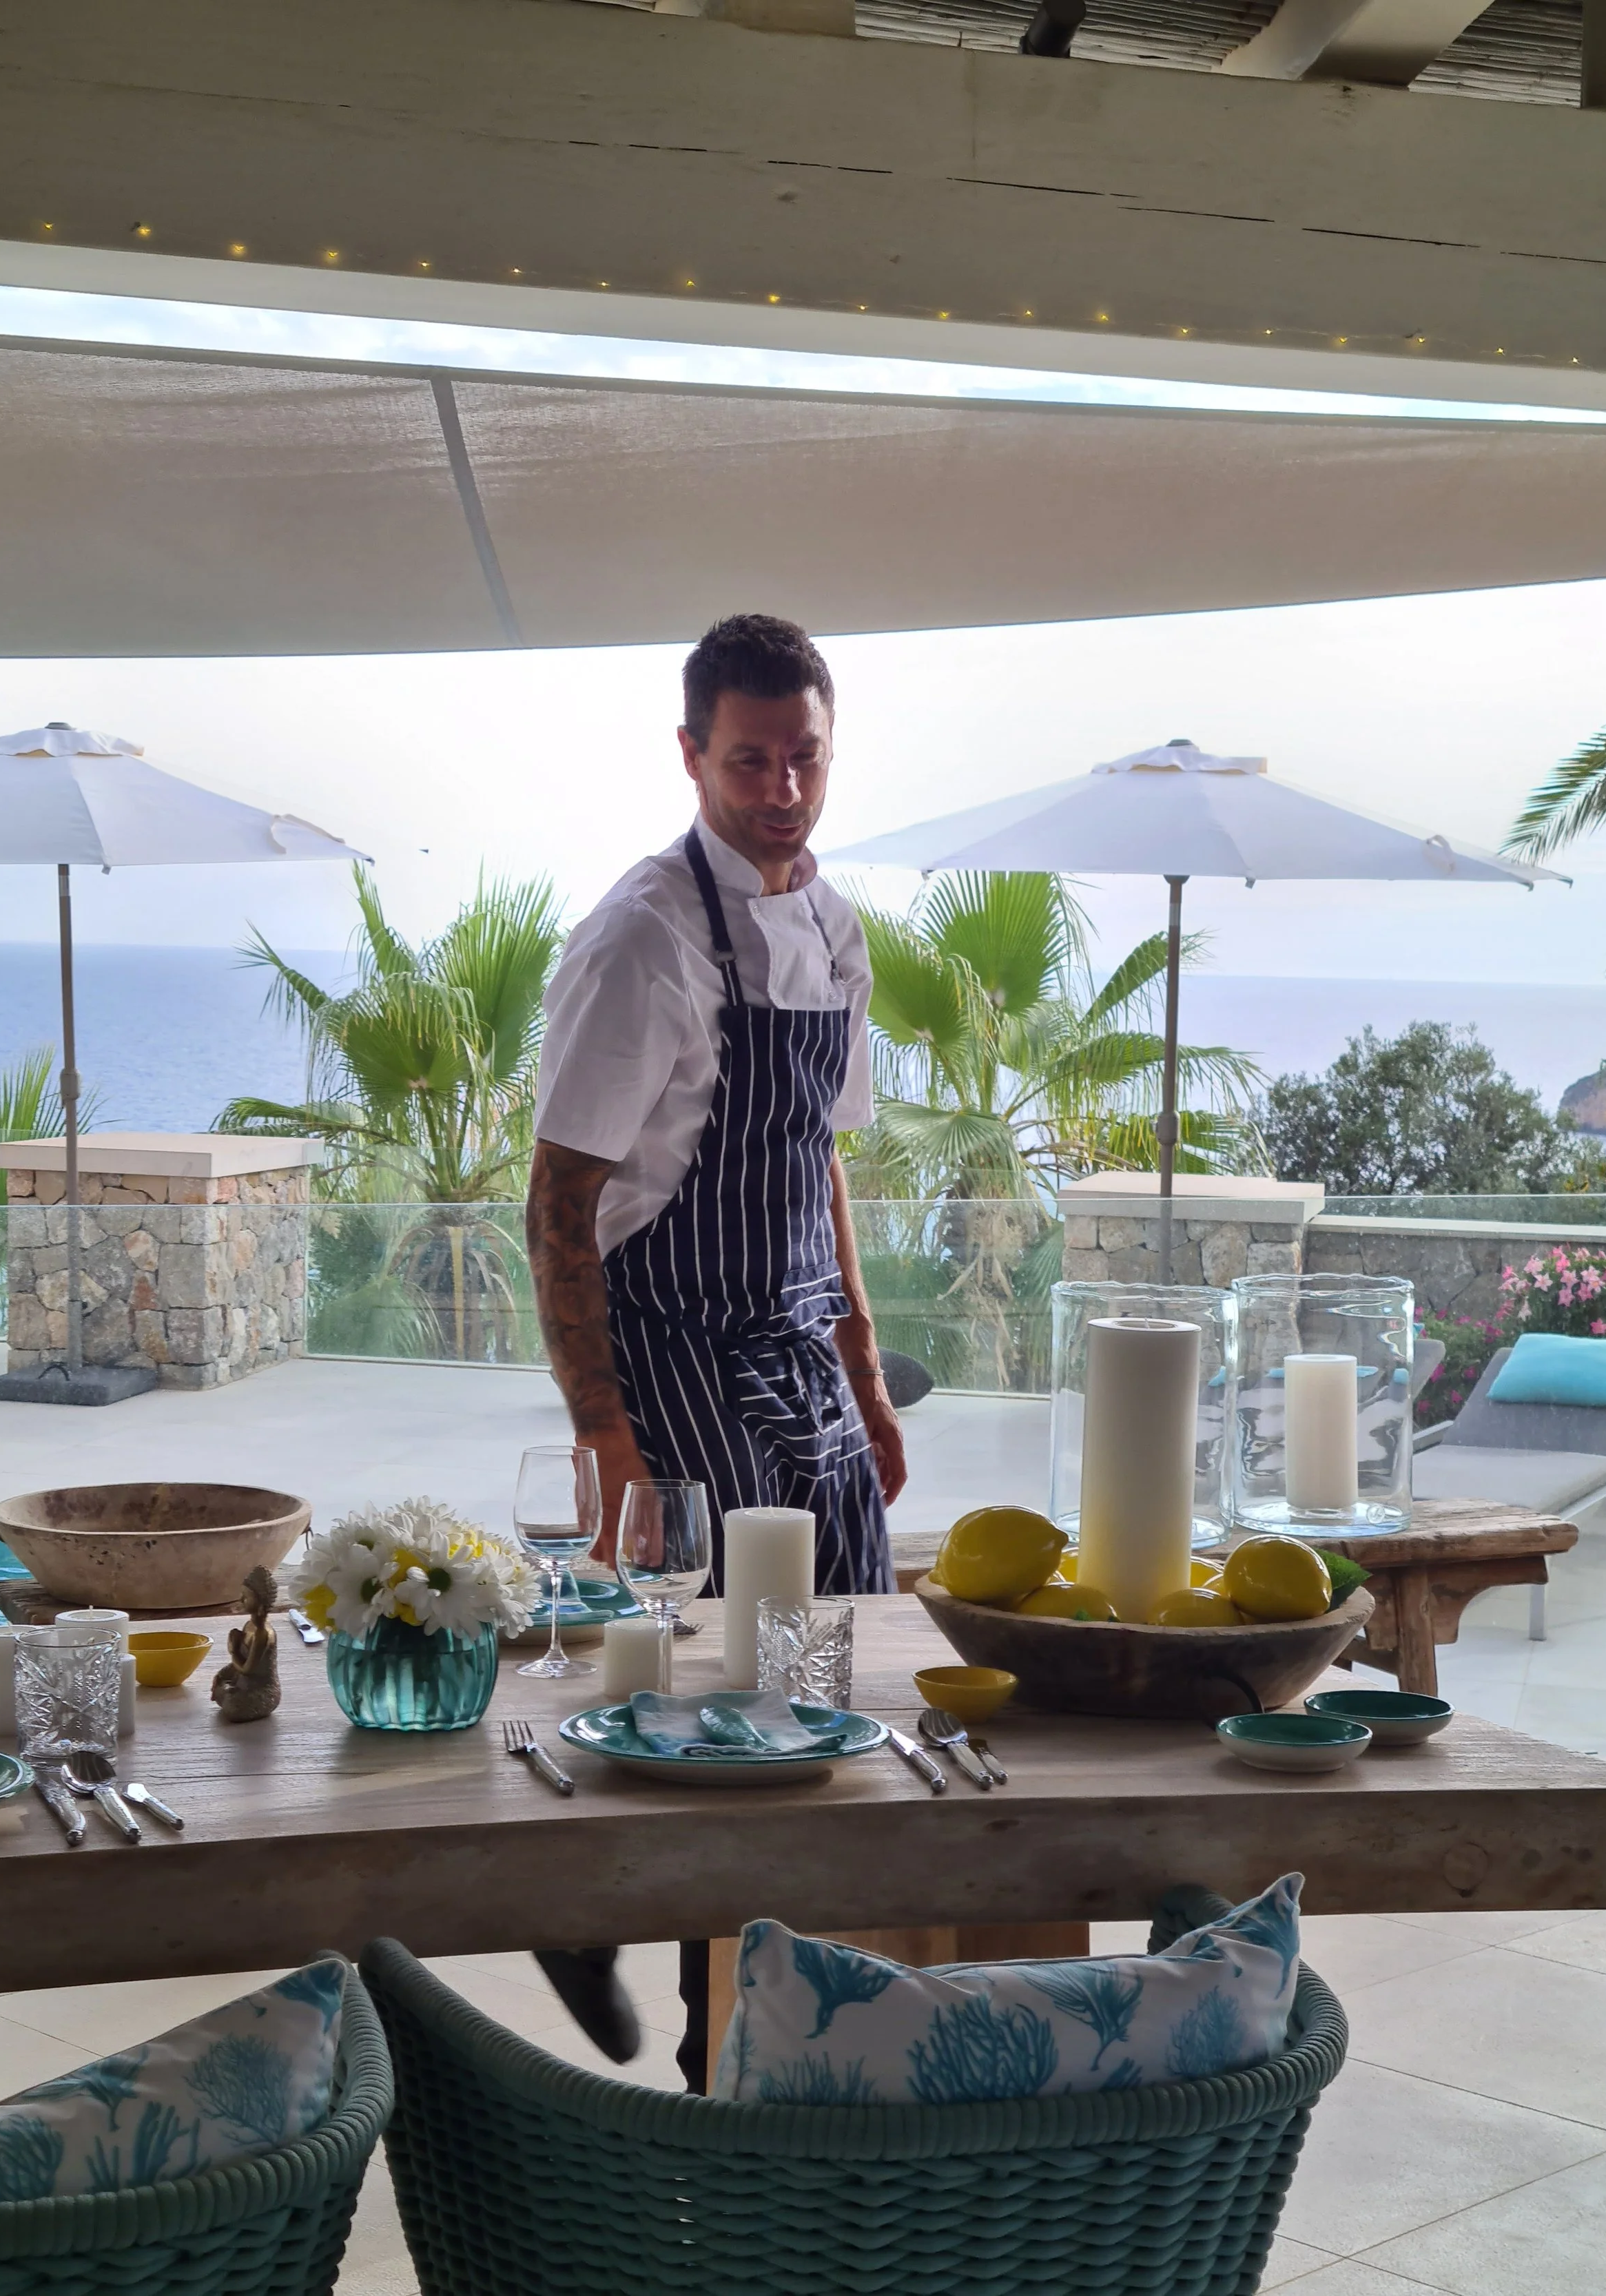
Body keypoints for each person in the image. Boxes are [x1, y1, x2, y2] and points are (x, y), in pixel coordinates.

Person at [525, 612, 907, 2084]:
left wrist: (863, 1369)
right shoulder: (643, 939)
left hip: (796, 1343)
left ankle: (813, 2024)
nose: (781, 789)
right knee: (715, 1707)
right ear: (691, 754)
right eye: (748, 760)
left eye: (802, 757)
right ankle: (704, 2039)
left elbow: (816, 1159)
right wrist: (601, 1429)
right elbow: (558, 1200)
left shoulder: (835, 930)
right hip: (669, 1340)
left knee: (846, 1675)